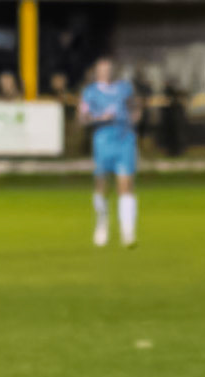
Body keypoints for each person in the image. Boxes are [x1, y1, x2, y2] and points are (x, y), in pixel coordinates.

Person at [78, 57, 140, 247]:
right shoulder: (90, 92)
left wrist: (134, 119)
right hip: (103, 139)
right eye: (102, 69)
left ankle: (128, 231)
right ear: (96, 72)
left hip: (124, 139)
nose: (106, 72)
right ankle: (102, 223)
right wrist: (99, 117)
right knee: (102, 184)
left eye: (108, 69)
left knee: (126, 184)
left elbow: (135, 106)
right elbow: (82, 118)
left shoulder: (124, 88)